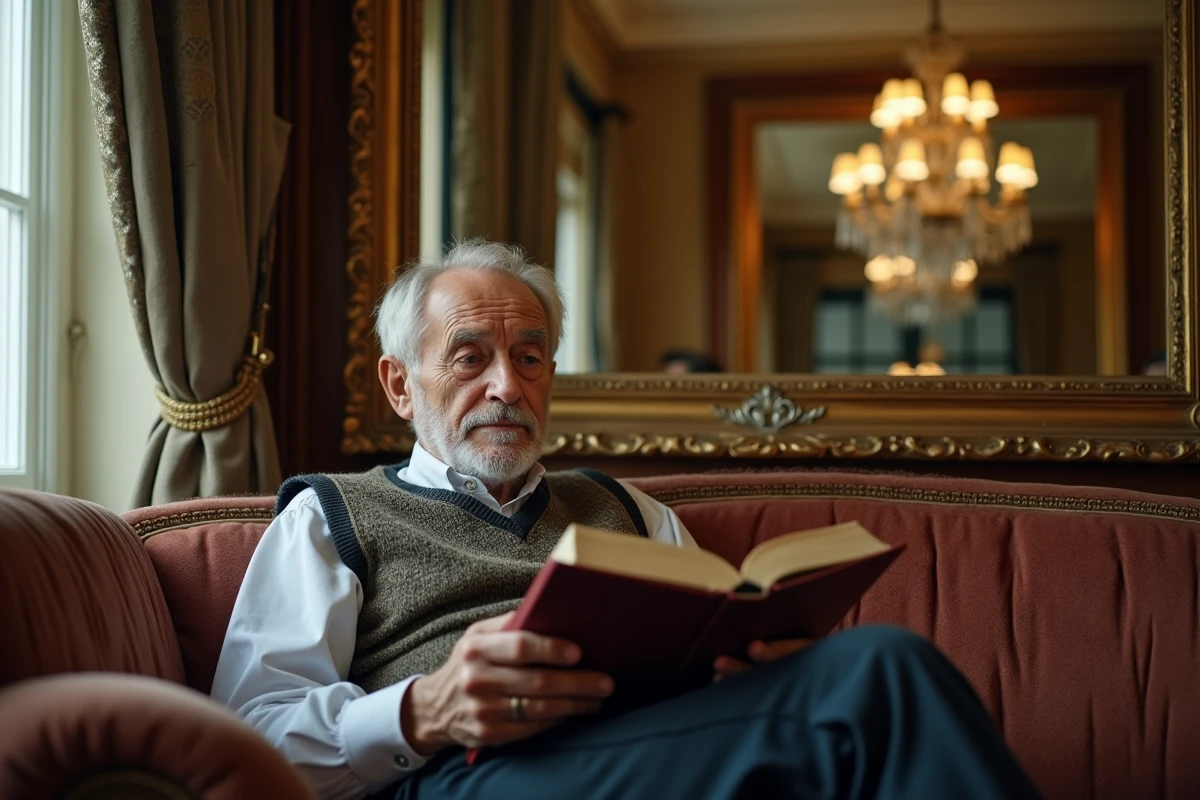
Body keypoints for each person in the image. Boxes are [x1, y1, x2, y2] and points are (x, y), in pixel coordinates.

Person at [212, 239, 1040, 799]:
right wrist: (424, 709)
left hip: (650, 758)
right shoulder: (332, 514)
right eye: (470, 359)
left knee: (854, 694)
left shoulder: (628, 511)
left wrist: (758, 674)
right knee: (882, 675)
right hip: (471, 776)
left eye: (530, 358)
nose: (507, 386)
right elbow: (243, 742)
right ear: (400, 386)